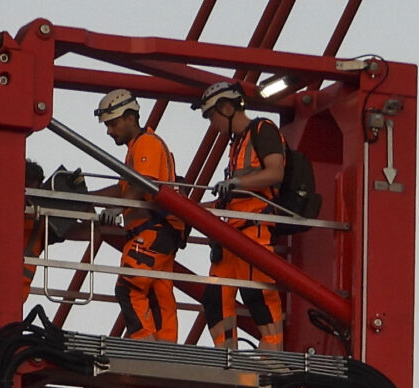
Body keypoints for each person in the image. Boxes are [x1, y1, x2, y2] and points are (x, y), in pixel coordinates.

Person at [195, 80, 296, 348]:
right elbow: (234, 196)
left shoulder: (263, 130)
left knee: (257, 295)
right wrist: (195, 210)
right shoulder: (236, 144)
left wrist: (237, 184)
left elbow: (275, 172)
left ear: (227, 108)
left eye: (211, 116)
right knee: (215, 297)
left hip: (254, 229)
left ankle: (273, 351)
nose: (211, 123)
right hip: (231, 234)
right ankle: (226, 353)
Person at [94, 88, 184, 342]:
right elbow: (124, 188)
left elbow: (142, 184)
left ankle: (143, 343)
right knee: (159, 296)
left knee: (129, 287)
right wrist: (89, 195)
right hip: (161, 232)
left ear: (131, 118)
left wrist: (117, 208)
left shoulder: (147, 144)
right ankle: (166, 348)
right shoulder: (139, 147)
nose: (109, 131)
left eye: (113, 124)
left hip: (152, 230)